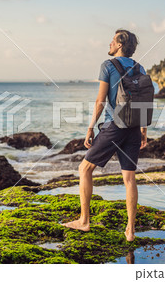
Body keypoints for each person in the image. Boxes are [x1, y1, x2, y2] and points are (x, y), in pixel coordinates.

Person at [61, 29, 148, 242]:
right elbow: (145, 100)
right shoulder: (140, 67)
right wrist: (144, 131)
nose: (109, 43)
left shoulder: (108, 66)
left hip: (114, 125)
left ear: (119, 44)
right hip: (134, 127)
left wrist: (91, 127)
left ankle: (84, 221)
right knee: (129, 178)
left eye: (112, 40)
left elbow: (100, 101)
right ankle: (130, 231)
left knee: (84, 168)